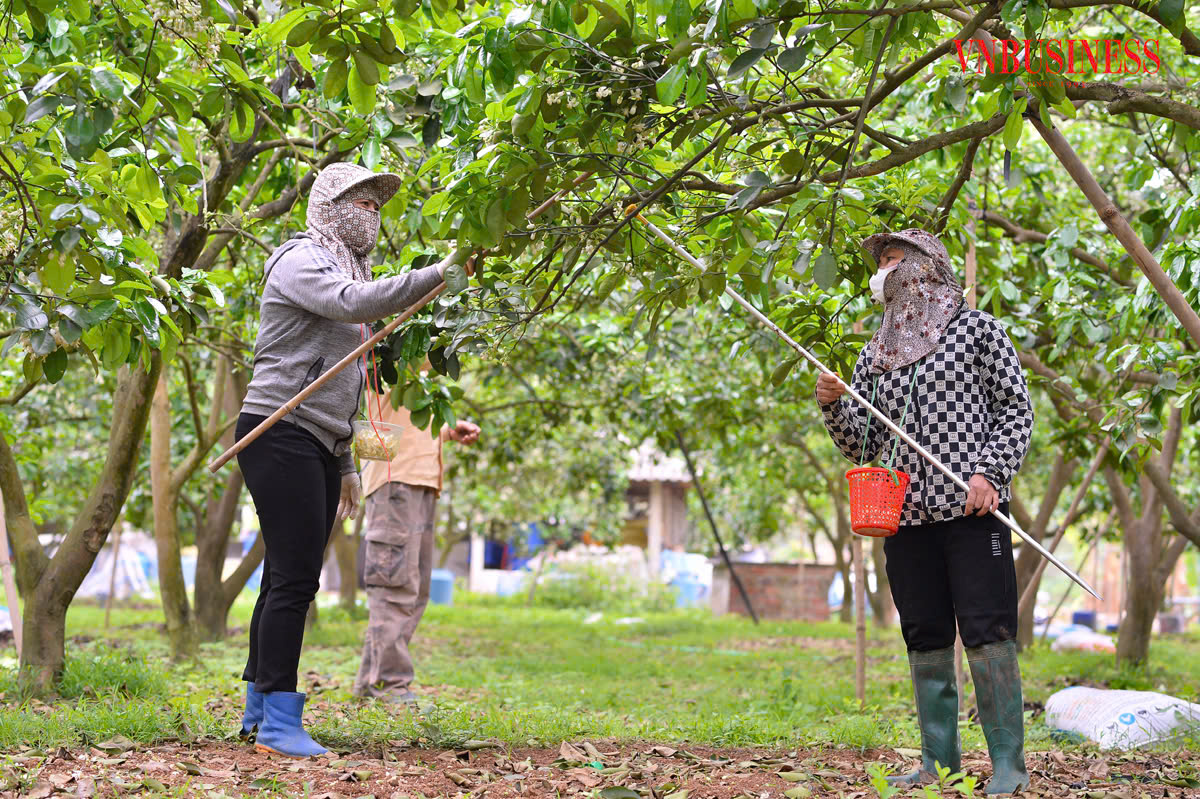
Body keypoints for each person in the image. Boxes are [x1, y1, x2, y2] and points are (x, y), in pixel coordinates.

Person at [234, 162, 466, 758]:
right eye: (359, 203)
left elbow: (349, 382)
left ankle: (259, 709)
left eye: (375, 206)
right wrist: (437, 273)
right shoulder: (301, 259)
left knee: (284, 574)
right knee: (296, 578)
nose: (370, 215)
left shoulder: (347, 265)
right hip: (277, 428)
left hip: (315, 437)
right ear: (330, 205)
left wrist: (342, 462)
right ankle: (282, 721)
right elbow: (347, 303)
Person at [815, 229, 1034, 795]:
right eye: (881, 263)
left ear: (924, 267)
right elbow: (864, 445)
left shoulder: (978, 331)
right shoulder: (875, 354)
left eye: (892, 260)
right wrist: (833, 405)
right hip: (905, 516)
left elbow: (1015, 408)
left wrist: (991, 472)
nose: (883, 271)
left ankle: (1008, 765)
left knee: (988, 632)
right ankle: (941, 764)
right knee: (926, 634)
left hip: (972, 509)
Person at [351, 370, 480, 705]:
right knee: (395, 587)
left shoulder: (425, 370)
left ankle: (371, 683)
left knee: (415, 589)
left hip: (422, 483)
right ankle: (389, 684)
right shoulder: (392, 349)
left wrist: (448, 431)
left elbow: (410, 421)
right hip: (395, 482)